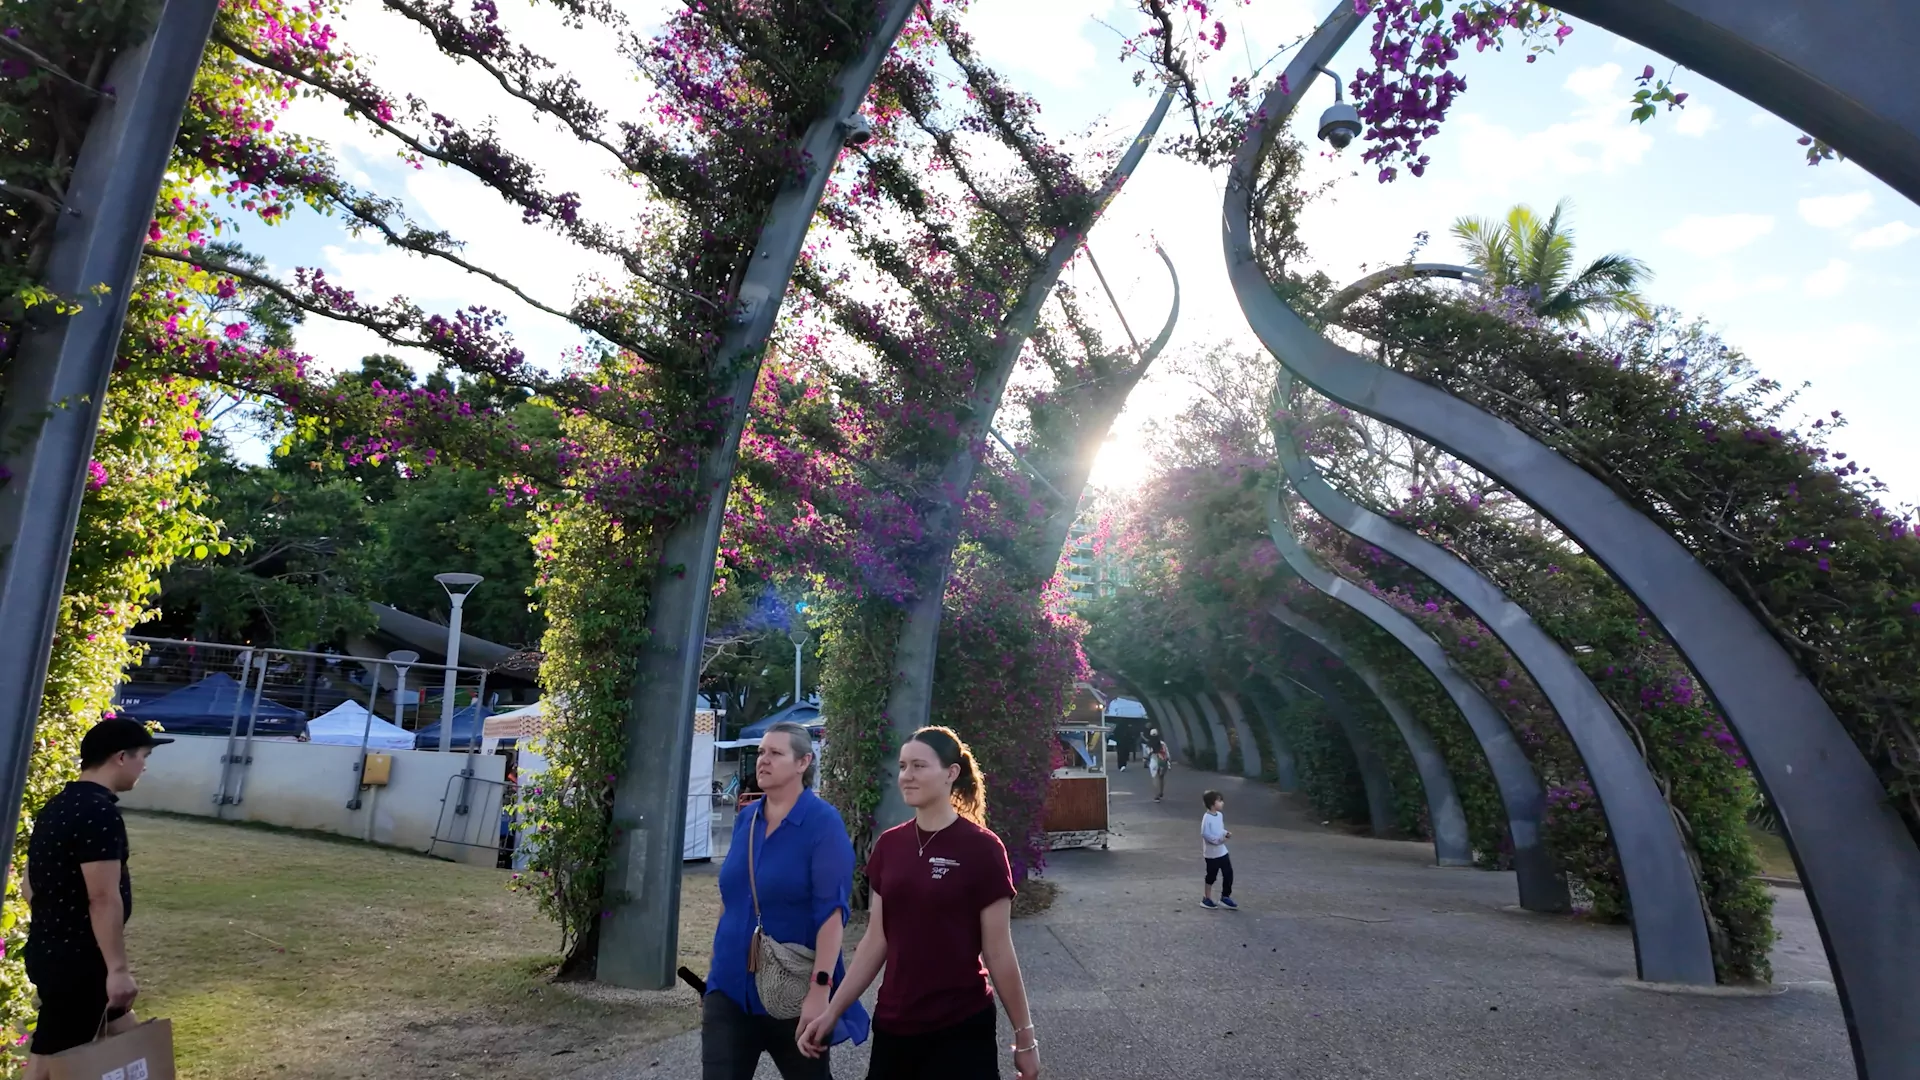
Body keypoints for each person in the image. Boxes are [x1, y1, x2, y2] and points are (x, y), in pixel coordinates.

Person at [798, 726, 1040, 1080]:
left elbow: (999, 950)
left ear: (951, 773)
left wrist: (1025, 1037)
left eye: (919, 766)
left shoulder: (983, 849)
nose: (907, 776)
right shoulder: (889, 846)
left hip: (961, 1027)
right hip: (895, 1025)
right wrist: (833, 1011)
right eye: (902, 766)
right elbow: (876, 940)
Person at [704, 721, 865, 1080]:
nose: (763, 760)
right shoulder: (747, 819)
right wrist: (715, 963)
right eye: (762, 752)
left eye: (775, 753)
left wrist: (819, 992)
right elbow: (732, 895)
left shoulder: (822, 823)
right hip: (728, 989)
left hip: (793, 994)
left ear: (803, 762)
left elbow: (831, 913)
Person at [21, 718, 173, 1077]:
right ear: (121, 757)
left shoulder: (58, 806)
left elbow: (30, 885)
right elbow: (103, 898)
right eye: (143, 756)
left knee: (125, 1036)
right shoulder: (98, 813)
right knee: (49, 1060)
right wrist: (118, 970)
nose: (145, 766)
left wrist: (56, 923)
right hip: (80, 962)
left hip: (52, 951)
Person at [1199, 790, 1236, 910]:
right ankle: (1206, 898)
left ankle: (1225, 896)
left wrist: (1225, 833)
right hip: (1211, 854)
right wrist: (1220, 840)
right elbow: (1206, 834)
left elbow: (1220, 829)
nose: (1222, 803)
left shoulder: (1219, 815)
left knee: (1228, 874)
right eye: (1219, 800)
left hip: (1222, 851)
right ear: (1212, 803)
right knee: (1211, 876)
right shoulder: (1207, 818)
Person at [1144, 728, 1170, 802]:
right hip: (1162, 762)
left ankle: (1156, 796)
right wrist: (1168, 760)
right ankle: (1161, 792)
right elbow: (1167, 753)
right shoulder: (1162, 743)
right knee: (1161, 777)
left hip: (1153, 761)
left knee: (1155, 778)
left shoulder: (1149, 744)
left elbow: (1147, 754)